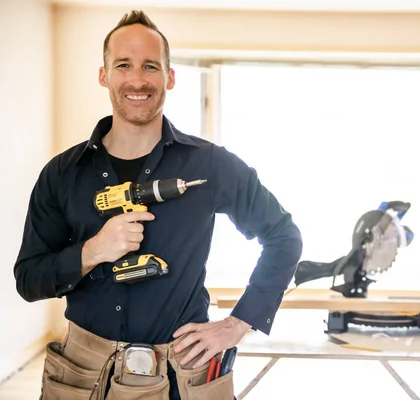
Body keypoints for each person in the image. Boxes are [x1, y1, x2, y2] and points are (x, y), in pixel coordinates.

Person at [13, 9, 303, 400]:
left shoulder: (210, 165)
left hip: (183, 375)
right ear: (104, 76)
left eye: (150, 66)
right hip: (83, 374)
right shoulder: (62, 174)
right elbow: (29, 279)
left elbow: (284, 236)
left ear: (169, 76)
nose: (137, 80)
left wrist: (239, 322)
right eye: (123, 65)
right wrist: (92, 251)